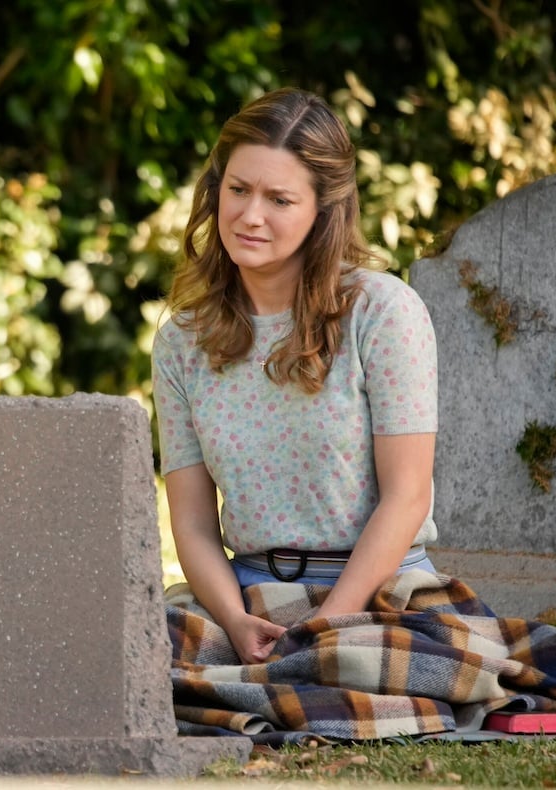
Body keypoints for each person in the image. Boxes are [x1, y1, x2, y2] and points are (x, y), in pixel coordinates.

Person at [152, 87, 439, 666]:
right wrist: (233, 620)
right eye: (237, 190)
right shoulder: (181, 339)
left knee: (376, 672)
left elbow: (407, 497)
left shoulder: (383, 312)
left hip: (378, 595)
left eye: (279, 199)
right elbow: (192, 522)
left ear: (322, 211)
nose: (249, 216)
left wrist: (327, 624)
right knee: (142, 657)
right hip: (247, 596)